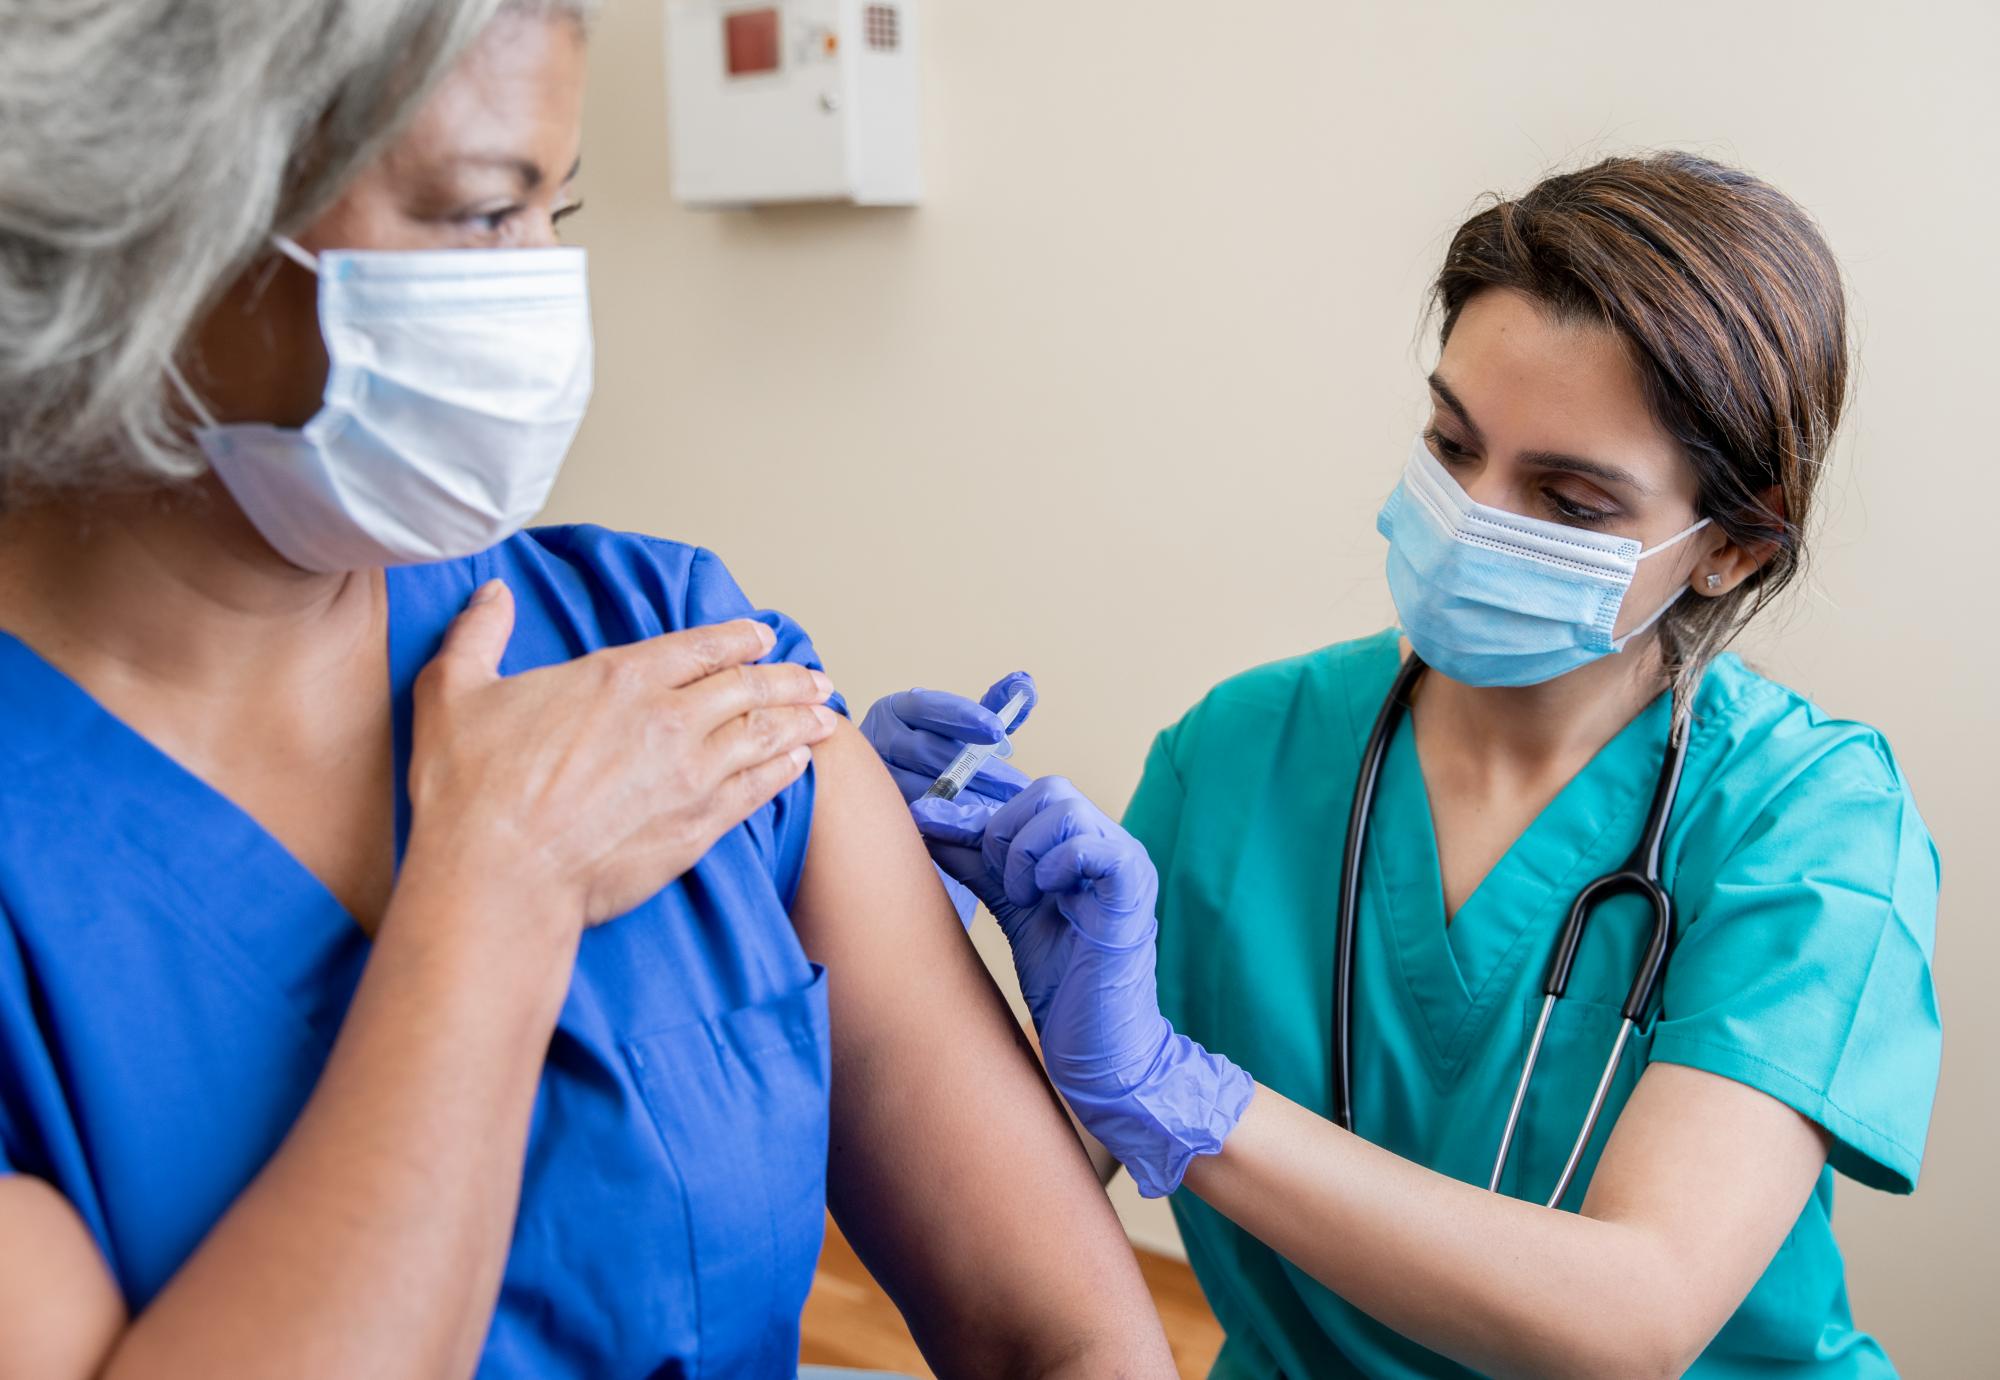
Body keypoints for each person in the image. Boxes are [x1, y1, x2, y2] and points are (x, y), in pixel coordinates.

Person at [0, 3, 1177, 1376]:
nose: (545, 295)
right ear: (155, 207)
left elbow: (1071, 1339)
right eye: (484, 217)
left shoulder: (659, 640)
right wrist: (495, 893)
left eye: (557, 211)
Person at [865, 153, 1941, 1378]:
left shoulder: (1809, 822)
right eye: (1450, 440)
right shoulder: (1238, 754)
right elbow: (1005, 1217)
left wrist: (1179, 1093)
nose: (1472, 514)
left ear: (1731, 552)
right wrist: (875, 913)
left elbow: (1632, 1317)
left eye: (1570, 501)